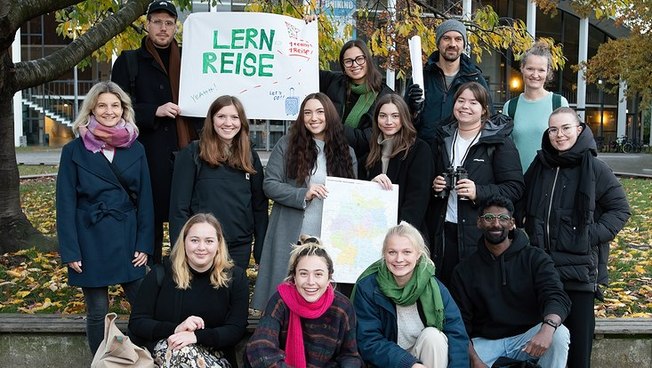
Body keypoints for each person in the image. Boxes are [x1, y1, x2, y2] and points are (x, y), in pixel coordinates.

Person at [520, 107, 631, 368]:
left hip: (579, 274)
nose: (559, 135)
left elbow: (620, 209)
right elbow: (520, 201)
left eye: (566, 128)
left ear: (579, 130)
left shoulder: (595, 168)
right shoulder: (540, 165)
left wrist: (586, 236)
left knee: (578, 353)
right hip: (544, 271)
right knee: (542, 348)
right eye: (554, 129)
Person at [56, 81, 154, 355]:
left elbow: (145, 200)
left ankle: (140, 356)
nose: (109, 111)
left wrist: (144, 244)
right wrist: (70, 250)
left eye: (115, 105)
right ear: (92, 109)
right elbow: (65, 204)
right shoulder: (74, 151)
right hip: (90, 238)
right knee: (98, 310)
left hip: (127, 235)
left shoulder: (136, 148)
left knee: (144, 303)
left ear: (123, 109)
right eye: (102, 105)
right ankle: (101, 361)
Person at [251, 92, 357, 310]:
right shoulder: (287, 145)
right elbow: (269, 184)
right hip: (292, 234)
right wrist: (303, 194)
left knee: (322, 298)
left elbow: (353, 197)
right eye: (307, 113)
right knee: (285, 298)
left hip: (330, 239)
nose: (313, 118)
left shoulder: (345, 152)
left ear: (330, 115)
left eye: (320, 112)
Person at [112, 0, 198, 263]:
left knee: (184, 220)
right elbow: (115, 110)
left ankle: (182, 276)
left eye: (169, 23)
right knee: (147, 220)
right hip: (146, 156)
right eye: (157, 22)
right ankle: (149, 279)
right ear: (147, 25)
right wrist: (153, 111)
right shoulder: (129, 61)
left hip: (185, 153)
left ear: (176, 27)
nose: (163, 28)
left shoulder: (192, 58)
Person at [449, 195, 571, 368]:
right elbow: (459, 323)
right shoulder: (464, 270)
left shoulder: (535, 258)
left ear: (512, 223)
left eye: (503, 218)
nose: (496, 224)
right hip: (485, 343)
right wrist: (475, 360)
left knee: (559, 334)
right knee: (454, 353)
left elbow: (556, 296)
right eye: (489, 218)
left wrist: (547, 328)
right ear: (479, 223)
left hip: (527, 339)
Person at [429, 81, 524, 286]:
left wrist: (477, 192)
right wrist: (436, 183)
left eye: (473, 102)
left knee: (475, 295)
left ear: (484, 110)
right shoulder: (444, 138)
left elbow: (515, 188)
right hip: (444, 231)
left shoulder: (498, 142)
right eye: (461, 100)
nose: (465, 106)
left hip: (480, 233)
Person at [129, 213, 249, 367]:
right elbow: (137, 322)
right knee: (181, 351)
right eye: (194, 240)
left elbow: (236, 329)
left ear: (219, 244)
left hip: (214, 355)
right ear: (184, 242)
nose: (201, 247)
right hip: (165, 351)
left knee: (185, 352)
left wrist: (196, 337)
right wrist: (176, 329)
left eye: (209, 241)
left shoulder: (235, 277)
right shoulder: (161, 273)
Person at [169, 95, 268, 270]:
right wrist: (180, 249)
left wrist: (260, 250)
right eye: (221, 116)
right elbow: (179, 208)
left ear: (242, 122)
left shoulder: (250, 156)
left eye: (234, 117)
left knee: (233, 296)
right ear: (211, 120)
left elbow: (259, 207)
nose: (228, 123)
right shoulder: (193, 153)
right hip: (202, 247)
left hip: (239, 247)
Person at [352, 221, 470, 368]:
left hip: (427, 359)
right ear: (384, 254)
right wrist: (409, 364)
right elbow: (368, 340)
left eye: (407, 252)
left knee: (433, 337)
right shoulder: (368, 288)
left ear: (418, 255)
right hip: (389, 362)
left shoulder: (434, 287)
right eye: (392, 252)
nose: (399, 259)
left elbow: (456, 334)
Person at [245, 236, 363, 367]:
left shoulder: (342, 306)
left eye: (318, 274)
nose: (311, 282)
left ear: (329, 277)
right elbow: (261, 346)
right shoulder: (281, 300)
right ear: (294, 276)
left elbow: (350, 355)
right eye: (303, 274)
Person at [406, 18, 492, 143]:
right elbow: (404, 118)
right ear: (438, 43)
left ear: (463, 44)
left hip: (460, 152)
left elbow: (488, 118)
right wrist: (413, 106)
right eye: (446, 38)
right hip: (425, 151)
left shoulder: (475, 78)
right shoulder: (421, 76)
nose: (452, 44)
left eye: (458, 39)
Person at [360, 93, 434, 236]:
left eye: (395, 116)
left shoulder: (419, 150)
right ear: (376, 119)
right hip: (373, 233)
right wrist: (370, 185)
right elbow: (361, 200)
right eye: (383, 116)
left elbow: (418, 197)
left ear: (404, 118)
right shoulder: (369, 155)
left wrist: (401, 232)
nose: (388, 121)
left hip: (406, 235)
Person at [320, 39, 394, 158]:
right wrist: (307, 25)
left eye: (360, 59)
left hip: (362, 164)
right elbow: (305, 67)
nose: (355, 65)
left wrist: (330, 126)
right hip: (325, 156)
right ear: (343, 66)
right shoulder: (333, 81)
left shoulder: (385, 96)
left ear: (368, 60)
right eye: (348, 61)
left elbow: (369, 138)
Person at [502, 41, 570, 171]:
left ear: (548, 72)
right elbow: (504, 150)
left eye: (541, 70)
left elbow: (568, 146)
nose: (535, 75)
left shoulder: (559, 103)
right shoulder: (510, 107)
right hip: (518, 181)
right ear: (522, 68)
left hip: (549, 179)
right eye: (530, 69)